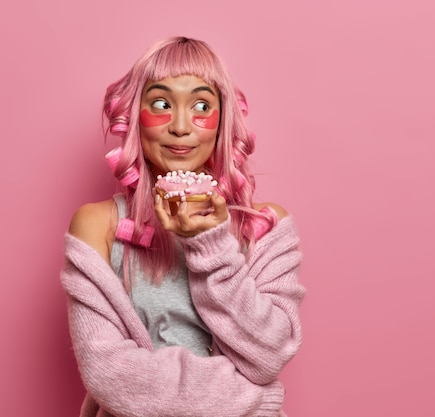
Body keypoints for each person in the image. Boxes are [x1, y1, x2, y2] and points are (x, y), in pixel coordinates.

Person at [60, 36, 306, 417]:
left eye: (201, 106)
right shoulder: (99, 223)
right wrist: (253, 396)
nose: (179, 126)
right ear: (135, 117)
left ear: (222, 120)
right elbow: (107, 372)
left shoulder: (265, 226)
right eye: (160, 104)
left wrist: (211, 245)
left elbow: (270, 354)